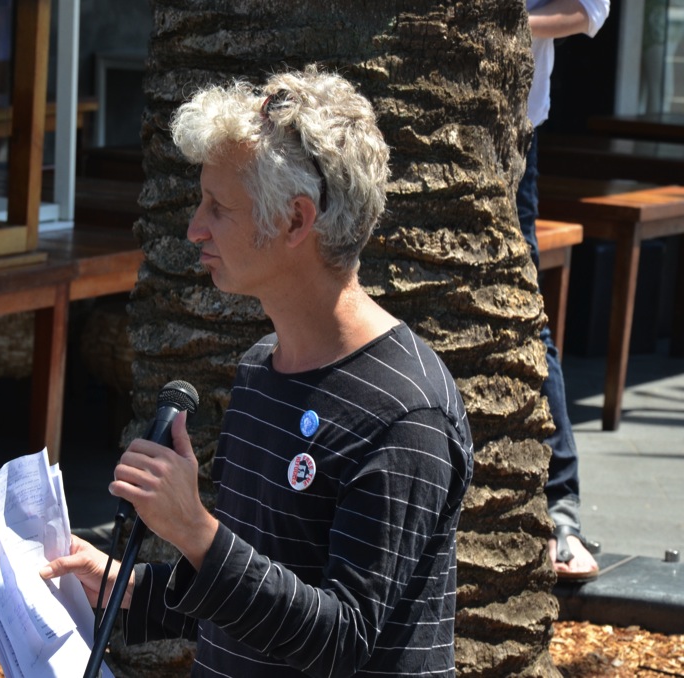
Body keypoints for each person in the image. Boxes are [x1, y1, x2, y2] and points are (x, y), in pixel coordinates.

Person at [41, 65, 475, 677]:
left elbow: (341, 639)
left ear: (297, 220)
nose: (194, 227)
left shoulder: (406, 412)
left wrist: (196, 531)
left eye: (218, 208)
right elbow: (257, 587)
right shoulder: (260, 370)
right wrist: (127, 590)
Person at [522, 0, 609, 582]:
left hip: (504, 136)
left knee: (523, 317)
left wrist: (499, 28)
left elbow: (587, 9)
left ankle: (561, 514)